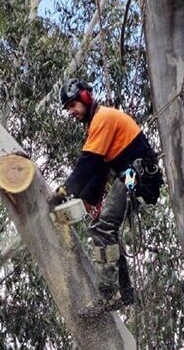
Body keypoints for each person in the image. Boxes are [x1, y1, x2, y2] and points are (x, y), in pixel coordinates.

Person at [48, 79, 163, 316]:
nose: (71, 113)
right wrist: (88, 203)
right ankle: (124, 290)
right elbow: (99, 172)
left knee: (102, 229)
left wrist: (64, 191)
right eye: (68, 108)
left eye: (72, 106)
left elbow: (87, 165)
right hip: (133, 175)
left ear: (85, 98)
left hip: (137, 174)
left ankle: (108, 294)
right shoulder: (97, 124)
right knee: (102, 227)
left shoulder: (103, 119)